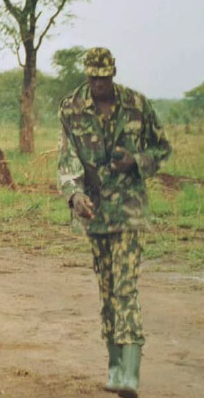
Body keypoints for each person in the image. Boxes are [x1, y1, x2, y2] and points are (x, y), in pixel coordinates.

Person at [57, 47, 171, 398]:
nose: (98, 84)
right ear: (87, 74)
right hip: (95, 214)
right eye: (93, 78)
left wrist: (136, 161)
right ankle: (115, 368)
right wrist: (74, 196)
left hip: (130, 212)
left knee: (125, 288)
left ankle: (130, 375)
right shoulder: (71, 108)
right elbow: (67, 160)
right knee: (107, 293)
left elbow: (162, 149)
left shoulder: (138, 105)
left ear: (113, 73)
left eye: (104, 78)